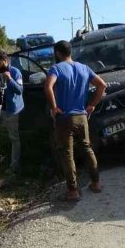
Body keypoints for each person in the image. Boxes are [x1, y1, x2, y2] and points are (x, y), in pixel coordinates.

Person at [44, 40, 107, 201]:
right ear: (70, 51)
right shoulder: (84, 68)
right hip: (82, 117)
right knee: (87, 148)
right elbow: (102, 85)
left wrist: (54, 108)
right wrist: (92, 105)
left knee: (67, 154)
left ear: (58, 53)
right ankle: (96, 183)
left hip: (64, 118)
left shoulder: (56, 68)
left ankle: (73, 191)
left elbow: (48, 87)